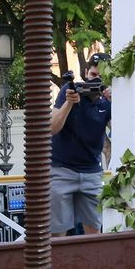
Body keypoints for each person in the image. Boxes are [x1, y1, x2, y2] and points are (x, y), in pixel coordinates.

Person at [51, 53, 111, 236]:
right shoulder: (70, 91)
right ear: (85, 73)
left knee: (94, 231)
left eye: (101, 77)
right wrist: (69, 104)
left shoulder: (109, 100)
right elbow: (52, 128)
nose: (96, 81)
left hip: (92, 171)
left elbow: (121, 133)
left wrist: (115, 102)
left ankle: (95, 264)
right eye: (93, 75)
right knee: (57, 232)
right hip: (61, 169)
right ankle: (57, 265)